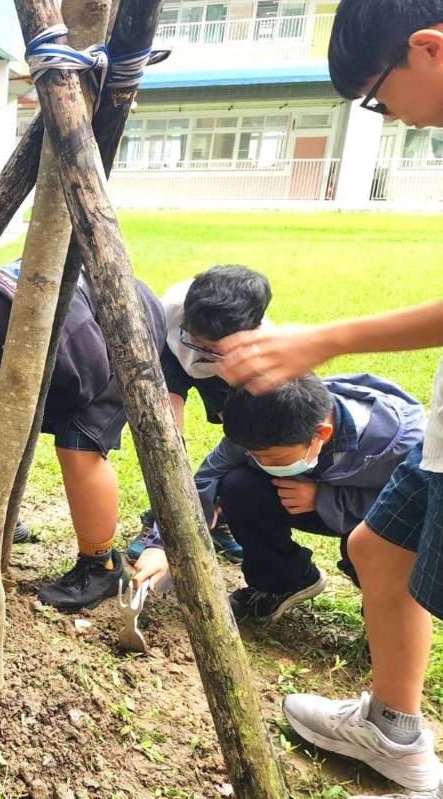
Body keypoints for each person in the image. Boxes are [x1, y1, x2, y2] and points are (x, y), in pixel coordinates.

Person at [214, 3, 443, 793]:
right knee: (380, 549)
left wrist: (328, 337)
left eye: (379, 98)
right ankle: (394, 727)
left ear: (428, 49)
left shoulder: (373, 427)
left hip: (422, 431)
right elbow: (218, 467)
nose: (391, 117)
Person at [0, 265, 167, 612]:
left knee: (77, 442)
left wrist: (17, 405)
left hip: (117, 334)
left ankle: (100, 565)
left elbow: (84, 387)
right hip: (37, 345)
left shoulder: (64, 324)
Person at [133, 373, 424, 621]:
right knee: (238, 485)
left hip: (375, 517)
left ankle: (387, 616)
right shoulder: (259, 423)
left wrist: (324, 498)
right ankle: (284, 582)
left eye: (267, 456)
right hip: (299, 497)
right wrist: (162, 543)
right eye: (251, 453)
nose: (256, 460)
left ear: (321, 434)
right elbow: (205, 479)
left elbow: (415, 511)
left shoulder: (401, 445)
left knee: (374, 543)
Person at [128, 265, 273, 563]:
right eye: (197, 340)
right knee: (165, 435)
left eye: (215, 347)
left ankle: (217, 516)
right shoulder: (167, 309)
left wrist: (224, 358)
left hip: (226, 372)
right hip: (169, 355)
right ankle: (158, 518)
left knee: (243, 436)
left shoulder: (260, 345)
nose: (203, 351)